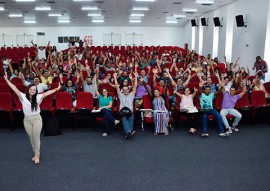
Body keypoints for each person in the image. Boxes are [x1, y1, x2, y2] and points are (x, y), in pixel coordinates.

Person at [4, 72, 61, 165]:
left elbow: (48, 92)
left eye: (34, 90)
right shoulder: (22, 97)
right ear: (28, 90)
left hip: (37, 119)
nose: (33, 91)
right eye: (31, 89)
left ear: (36, 91)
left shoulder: (38, 97)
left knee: (36, 138)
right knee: (31, 138)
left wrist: (56, 89)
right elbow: (14, 88)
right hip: (27, 120)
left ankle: (37, 155)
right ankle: (35, 153)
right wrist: (6, 80)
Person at [113, 72, 138, 140]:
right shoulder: (121, 95)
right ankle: (130, 131)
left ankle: (128, 132)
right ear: (122, 91)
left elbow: (135, 86)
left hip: (130, 112)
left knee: (131, 118)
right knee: (124, 119)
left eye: (126, 89)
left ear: (128, 90)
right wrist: (115, 78)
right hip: (122, 112)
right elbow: (117, 87)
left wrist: (136, 77)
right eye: (124, 90)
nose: (125, 91)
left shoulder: (131, 95)